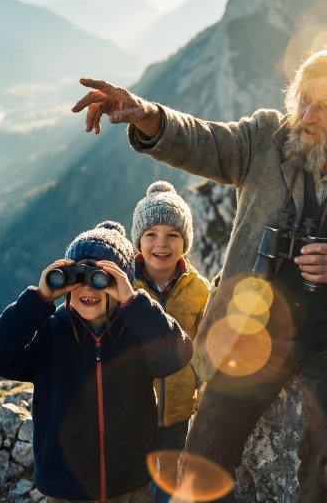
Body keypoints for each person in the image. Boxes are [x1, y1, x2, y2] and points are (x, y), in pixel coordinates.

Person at [72, 46, 327, 502]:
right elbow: (205, 142)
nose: (307, 114)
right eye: (304, 99)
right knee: (207, 439)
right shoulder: (267, 138)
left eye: (324, 105)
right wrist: (148, 115)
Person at [0, 221, 193, 502]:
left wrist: (133, 301)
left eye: (101, 277)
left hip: (131, 486)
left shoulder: (137, 333)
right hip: (66, 489)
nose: (87, 287)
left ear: (122, 283)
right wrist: (39, 298)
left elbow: (177, 354)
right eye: (76, 276)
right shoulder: (50, 334)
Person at [131, 181, 210, 502]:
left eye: (172, 235)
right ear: (138, 240)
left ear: (185, 242)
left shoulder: (200, 290)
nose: (161, 244)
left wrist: (203, 395)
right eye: (151, 234)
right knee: (134, 487)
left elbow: (206, 352)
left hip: (178, 414)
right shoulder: (124, 289)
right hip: (133, 414)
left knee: (168, 488)